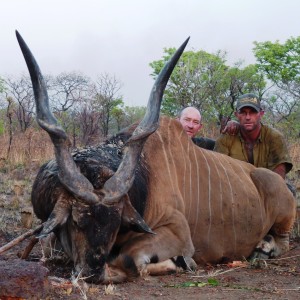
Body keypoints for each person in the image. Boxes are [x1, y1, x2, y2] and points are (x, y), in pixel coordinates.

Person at [214, 93, 293, 179]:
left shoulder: (274, 137)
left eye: (253, 112)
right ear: (236, 114)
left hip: (266, 186)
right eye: (243, 113)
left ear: (261, 113)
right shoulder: (226, 138)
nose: (248, 117)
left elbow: (279, 175)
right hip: (236, 186)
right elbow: (219, 172)